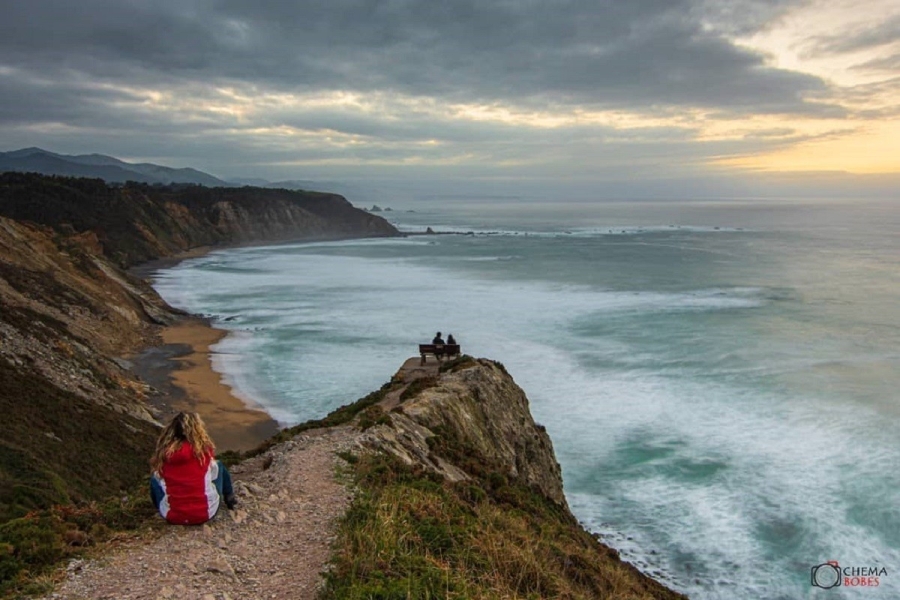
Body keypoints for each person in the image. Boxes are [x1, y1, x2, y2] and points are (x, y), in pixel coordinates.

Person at [149, 412, 236, 525]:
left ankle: (162, 508)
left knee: (154, 480)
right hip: (206, 513)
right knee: (219, 466)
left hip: (174, 516)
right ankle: (230, 498)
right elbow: (212, 472)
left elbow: (160, 478)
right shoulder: (202, 451)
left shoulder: (164, 455)